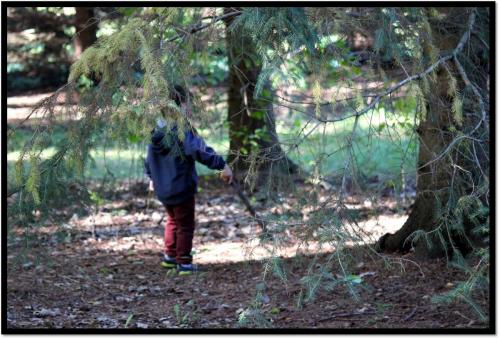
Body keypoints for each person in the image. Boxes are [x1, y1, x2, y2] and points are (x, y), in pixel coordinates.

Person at [145, 85, 233, 275]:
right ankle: (184, 262)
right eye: (188, 104)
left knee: (172, 220)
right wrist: (221, 165)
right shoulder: (182, 131)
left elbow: (149, 159)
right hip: (181, 187)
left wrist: (151, 177)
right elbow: (199, 150)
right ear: (182, 105)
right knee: (185, 224)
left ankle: (170, 256)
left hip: (163, 188)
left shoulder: (156, 131)